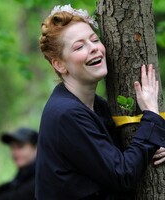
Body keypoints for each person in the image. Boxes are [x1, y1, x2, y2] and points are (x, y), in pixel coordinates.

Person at [35, 4, 165, 200]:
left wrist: (156, 145)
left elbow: (122, 159)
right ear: (59, 64)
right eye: (79, 46)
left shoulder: (98, 106)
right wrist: (152, 116)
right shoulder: (66, 114)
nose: (94, 48)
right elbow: (123, 174)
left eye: (94, 39)